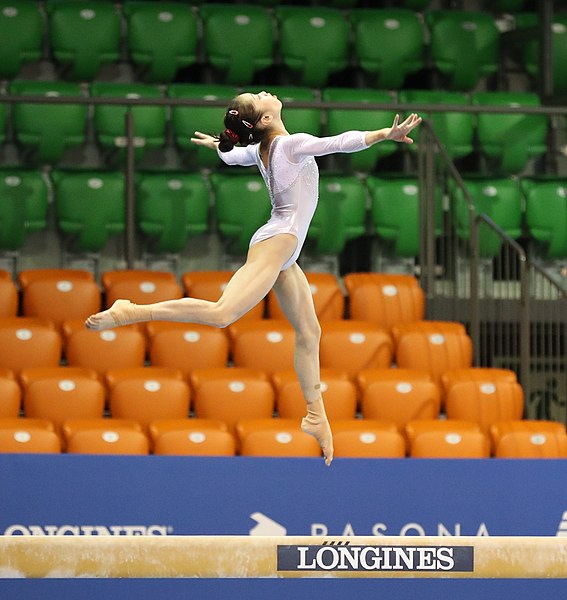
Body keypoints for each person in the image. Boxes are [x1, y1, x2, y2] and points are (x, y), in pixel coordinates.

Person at [85, 91, 422, 466]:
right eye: (259, 98)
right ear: (264, 120)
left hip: (284, 248)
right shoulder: (290, 145)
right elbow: (339, 143)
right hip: (276, 242)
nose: (267, 93)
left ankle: (316, 416)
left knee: (310, 333)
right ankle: (132, 312)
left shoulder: (263, 149)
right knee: (221, 313)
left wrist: (219, 145)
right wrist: (383, 136)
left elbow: (233, 155)